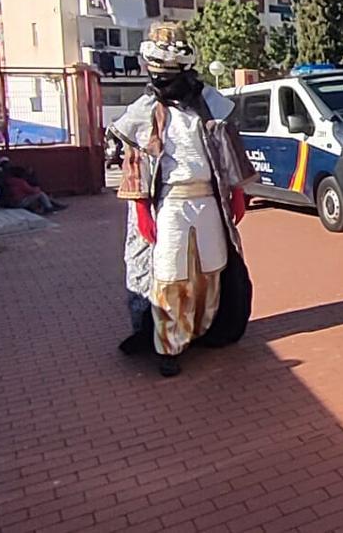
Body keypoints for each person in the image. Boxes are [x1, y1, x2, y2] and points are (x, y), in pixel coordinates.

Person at [110, 22, 256, 377]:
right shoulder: (145, 110)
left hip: (209, 201)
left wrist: (237, 191)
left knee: (212, 268)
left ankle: (204, 330)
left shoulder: (210, 103)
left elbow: (229, 151)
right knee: (170, 275)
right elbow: (136, 164)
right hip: (171, 203)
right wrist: (141, 207)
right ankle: (169, 344)